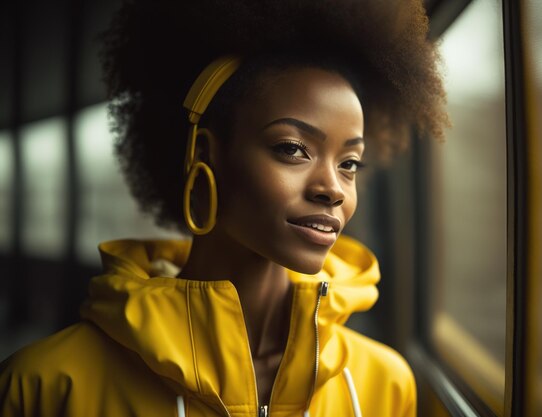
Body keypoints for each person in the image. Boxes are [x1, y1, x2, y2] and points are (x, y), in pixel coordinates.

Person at [0, 0, 447, 415]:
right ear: (206, 155)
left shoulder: (384, 384)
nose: (333, 189)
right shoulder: (46, 385)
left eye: (349, 163)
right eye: (292, 148)